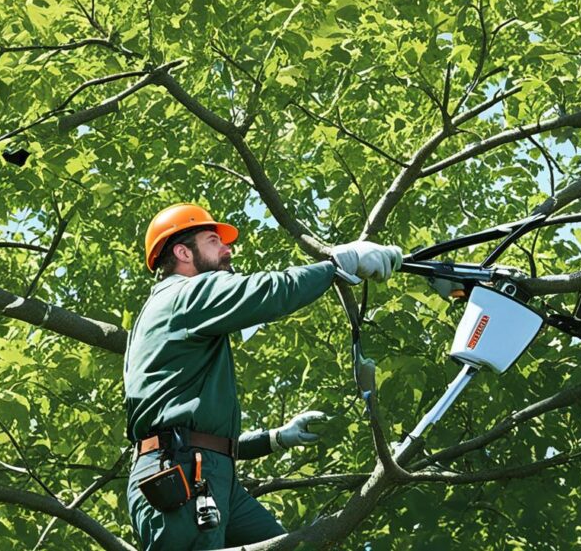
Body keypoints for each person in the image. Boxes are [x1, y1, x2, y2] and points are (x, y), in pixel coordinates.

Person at [124, 203, 402, 550]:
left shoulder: (177, 308)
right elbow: (267, 292)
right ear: (183, 253)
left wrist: (276, 438)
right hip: (183, 475)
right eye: (213, 241)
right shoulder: (182, 295)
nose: (227, 249)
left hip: (204, 471)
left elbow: (196, 434)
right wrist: (336, 265)